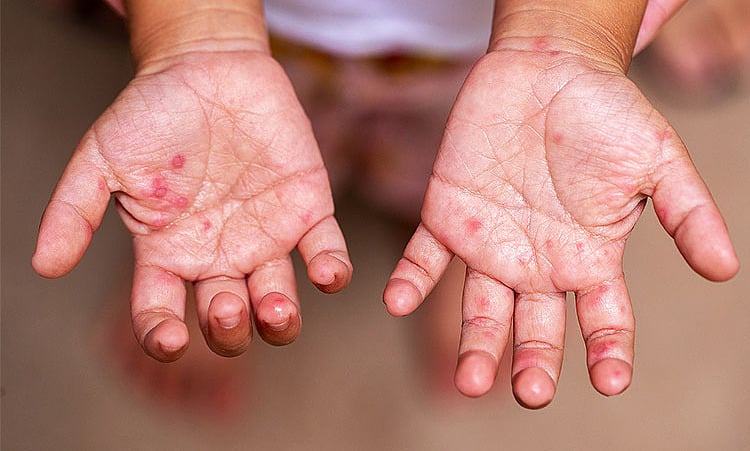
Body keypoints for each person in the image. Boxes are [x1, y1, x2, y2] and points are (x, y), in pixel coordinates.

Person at [33, 0, 739, 410]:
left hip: (496, 33)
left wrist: (564, 41)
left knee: (485, 144)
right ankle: (220, 229)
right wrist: (195, 33)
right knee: (248, 141)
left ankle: (473, 235)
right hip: (263, 24)